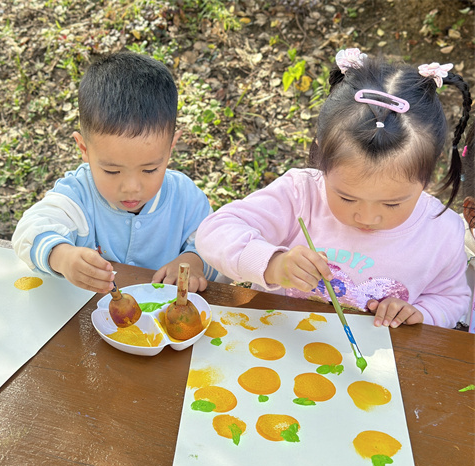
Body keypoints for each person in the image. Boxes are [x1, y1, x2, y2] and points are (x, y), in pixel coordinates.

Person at [196, 49, 472, 329]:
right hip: (278, 340)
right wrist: (273, 264)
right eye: (347, 198)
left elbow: (452, 298)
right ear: (322, 159)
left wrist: (421, 313)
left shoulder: (442, 232)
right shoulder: (301, 194)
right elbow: (214, 232)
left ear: (428, 175)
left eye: (392, 204)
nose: (366, 217)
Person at [12, 51, 219, 294]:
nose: (131, 187)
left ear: (171, 147)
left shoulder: (185, 198)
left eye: (150, 169)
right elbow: (29, 231)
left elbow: (216, 244)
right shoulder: (79, 195)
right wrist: (62, 256)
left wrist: (194, 262)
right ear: (84, 149)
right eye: (112, 171)